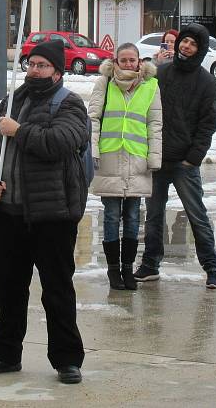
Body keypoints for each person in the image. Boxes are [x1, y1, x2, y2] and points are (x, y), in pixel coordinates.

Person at [0, 39, 88, 385]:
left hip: (52, 214)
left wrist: (19, 131)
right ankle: (5, 353)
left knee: (56, 289)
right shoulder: (11, 101)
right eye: (30, 64)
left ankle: (67, 359)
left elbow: (61, 143)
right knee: (7, 289)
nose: (34, 71)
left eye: (42, 65)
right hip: (7, 213)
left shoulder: (70, 103)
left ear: (57, 71)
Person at [134, 23, 216, 288]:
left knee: (197, 215)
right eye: (184, 41)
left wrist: (193, 157)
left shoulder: (207, 83)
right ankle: (150, 264)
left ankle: (211, 267)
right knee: (153, 217)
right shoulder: (160, 73)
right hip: (158, 158)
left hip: (185, 162)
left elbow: (208, 125)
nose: (186, 46)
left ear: (200, 50)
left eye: (193, 44)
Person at [89, 43, 162, 291]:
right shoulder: (104, 83)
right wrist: (93, 150)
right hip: (109, 157)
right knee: (111, 216)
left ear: (140, 61)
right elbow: (93, 119)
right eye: (124, 60)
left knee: (132, 217)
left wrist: (154, 156)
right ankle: (113, 271)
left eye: (133, 60)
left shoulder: (151, 85)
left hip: (137, 160)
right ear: (116, 61)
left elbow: (155, 124)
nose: (129, 64)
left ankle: (127, 269)